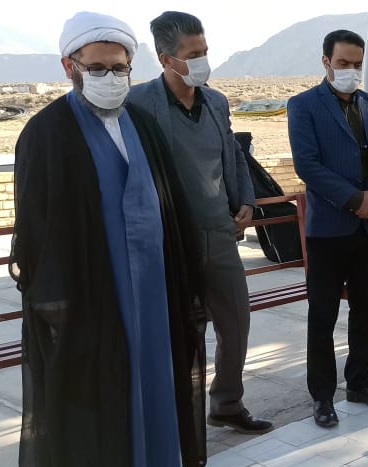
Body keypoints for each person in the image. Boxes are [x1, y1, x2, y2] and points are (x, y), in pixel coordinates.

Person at [11, 11, 206, 467]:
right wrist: (53, 294)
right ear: (69, 67)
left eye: (119, 68)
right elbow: (35, 223)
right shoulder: (47, 132)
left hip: (153, 281)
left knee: (157, 370)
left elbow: (170, 201)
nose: (110, 77)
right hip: (91, 287)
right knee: (98, 382)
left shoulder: (141, 124)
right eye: (96, 68)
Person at [128, 11, 272, 435]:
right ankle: (177, 421)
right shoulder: (138, 104)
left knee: (236, 322)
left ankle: (227, 403)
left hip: (220, 233)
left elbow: (233, 154)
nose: (202, 61)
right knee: (182, 333)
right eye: (192, 55)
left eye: (204, 51)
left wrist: (246, 201)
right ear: (165, 59)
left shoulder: (215, 102)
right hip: (172, 242)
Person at [289, 30, 368, 428]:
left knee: (365, 309)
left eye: (356, 64)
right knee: (323, 314)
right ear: (326, 62)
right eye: (343, 63)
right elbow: (308, 165)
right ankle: (322, 395)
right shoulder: (303, 106)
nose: (350, 70)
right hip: (328, 230)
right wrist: (355, 200)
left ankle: (359, 382)